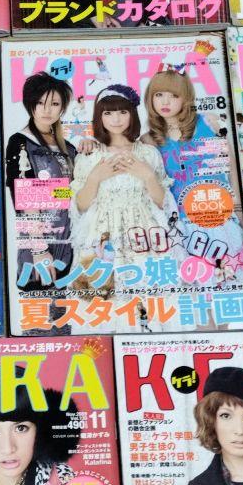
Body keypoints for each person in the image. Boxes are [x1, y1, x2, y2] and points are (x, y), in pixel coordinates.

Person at [68, 84, 175, 326]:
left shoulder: (148, 153)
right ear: (99, 116)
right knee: (105, 302)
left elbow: (164, 204)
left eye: (122, 112)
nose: (116, 119)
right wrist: (95, 178)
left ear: (132, 114)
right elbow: (80, 207)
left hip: (145, 236)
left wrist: (147, 176)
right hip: (102, 236)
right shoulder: (89, 155)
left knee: (150, 303)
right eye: (108, 113)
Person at [143, 67, 243, 279]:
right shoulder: (148, 140)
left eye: (174, 96)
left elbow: (232, 167)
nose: (165, 101)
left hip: (219, 218)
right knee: (199, 288)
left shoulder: (209, 122)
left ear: (186, 98)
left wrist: (238, 208)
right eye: (159, 95)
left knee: (234, 281)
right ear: (150, 98)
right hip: (182, 227)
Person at [4, 71, 77, 292]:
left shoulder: (69, 148)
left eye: (54, 103)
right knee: (40, 304)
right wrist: (39, 249)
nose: (47, 110)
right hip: (38, 243)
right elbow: (24, 199)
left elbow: (75, 194)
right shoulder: (21, 143)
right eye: (40, 103)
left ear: (62, 107)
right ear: (30, 105)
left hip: (68, 242)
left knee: (64, 308)